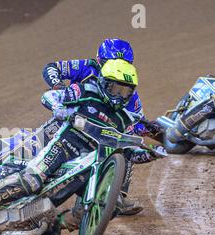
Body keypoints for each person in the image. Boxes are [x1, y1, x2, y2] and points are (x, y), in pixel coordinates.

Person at [0, 59, 164, 235]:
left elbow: (129, 152)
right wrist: (58, 107)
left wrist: (150, 155)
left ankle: (56, 224)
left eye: (125, 91)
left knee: (106, 203)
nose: (119, 95)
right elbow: (49, 95)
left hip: (89, 163)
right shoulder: (86, 91)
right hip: (65, 145)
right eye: (115, 88)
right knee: (32, 180)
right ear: (103, 82)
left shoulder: (124, 118)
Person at [42, 38, 162, 216]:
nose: (117, 66)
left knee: (126, 145)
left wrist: (151, 130)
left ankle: (116, 194)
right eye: (111, 62)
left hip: (101, 133)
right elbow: (51, 68)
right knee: (42, 147)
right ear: (99, 60)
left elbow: (135, 123)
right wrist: (59, 87)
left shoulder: (129, 91)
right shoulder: (86, 66)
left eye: (124, 64)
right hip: (70, 121)